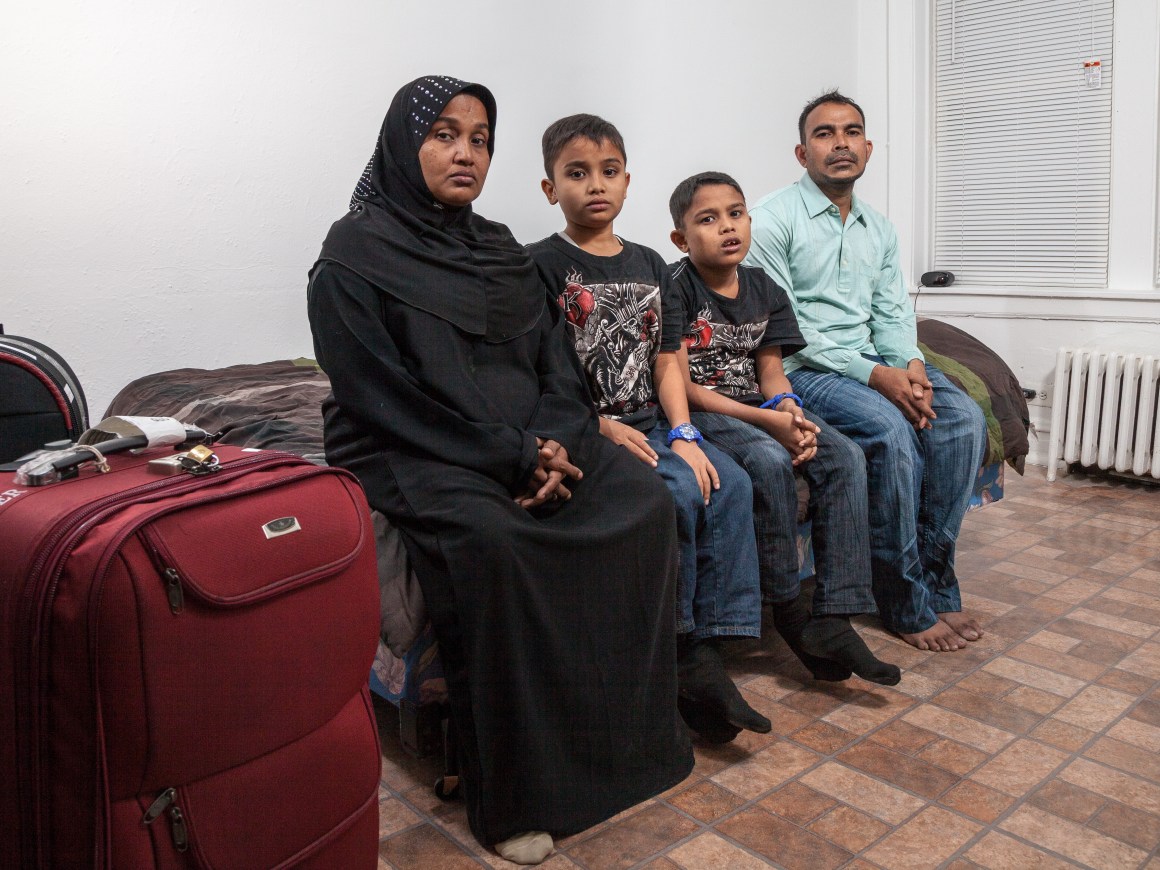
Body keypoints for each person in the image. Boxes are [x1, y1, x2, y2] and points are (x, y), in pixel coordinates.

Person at [307, 76, 692, 865]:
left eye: (480, 138)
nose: (465, 151)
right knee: (494, 540)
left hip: (529, 437)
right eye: (445, 133)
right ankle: (518, 795)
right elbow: (382, 396)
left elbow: (557, 367)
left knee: (643, 505)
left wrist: (553, 439)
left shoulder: (500, 250)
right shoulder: (352, 255)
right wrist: (513, 456)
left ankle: (636, 749)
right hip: (413, 446)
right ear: (402, 143)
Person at [526, 114, 769, 743]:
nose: (595, 186)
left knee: (732, 483)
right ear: (551, 189)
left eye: (608, 172)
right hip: (594, 427)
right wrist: (597, 426)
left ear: (628, 182)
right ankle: (684, 648)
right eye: (577, 174)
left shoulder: (653, 264)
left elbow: (668, 359)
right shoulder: (539, 265)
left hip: (654, 418)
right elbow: (536, 370)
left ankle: (717, 641)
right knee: (681, 494)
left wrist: (684, 433)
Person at [745, 90, 988, 652]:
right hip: (804, 367)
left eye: (851, 132)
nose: (840, 144)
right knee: (893, 432)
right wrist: (876, 377)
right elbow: (790, 324)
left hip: (872, 361)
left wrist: (913, 366)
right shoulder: (771, 219)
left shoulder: (878, 227)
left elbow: (893, 311)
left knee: (963, 421)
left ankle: (936, 585)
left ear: (868, 147)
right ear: (802, 152)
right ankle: (904, 601)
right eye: (825, 134)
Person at [668, 171, 900, 687]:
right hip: (707, 409)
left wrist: (791, 410)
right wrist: (769, 424)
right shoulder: (675, 287)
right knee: (771, 461)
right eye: (708, 219)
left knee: (843, 456)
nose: (727, 227)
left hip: (759, 402)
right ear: (681, 239)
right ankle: (788, 608)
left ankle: (835, 614)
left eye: (736, 213)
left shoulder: (764, 287)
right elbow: (683, 389)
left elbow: (770, 371)